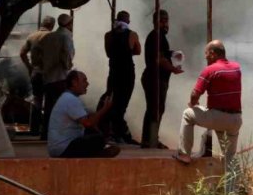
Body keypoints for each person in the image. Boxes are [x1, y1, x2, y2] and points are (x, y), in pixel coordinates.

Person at [174, 40, 242, 174]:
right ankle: (232, 192)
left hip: (217, 117)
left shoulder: (209, 70)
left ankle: (184, 155)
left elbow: (195, 93)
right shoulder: (237, 68)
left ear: (212, 53)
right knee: (230, 158)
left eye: (206, 53)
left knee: (188, 114)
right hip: (235, 120)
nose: (205, 57)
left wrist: (193, 104)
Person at [47, 70, 120, 158]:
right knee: (98, 139)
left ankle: (99, 150)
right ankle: (98, 154)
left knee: (93, 132)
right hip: (63, 149)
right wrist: (104, 109)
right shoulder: (70, 99)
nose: (87, 84)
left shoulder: (68, 97)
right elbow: (88, 123)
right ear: (74, 83)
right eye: (84, 81)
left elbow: (89, 121)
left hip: (58, 148)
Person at [141, 9, 184, 149]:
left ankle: (150, 139)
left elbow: (162, 54)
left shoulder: (159, 37)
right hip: (154, 78)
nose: (166, 24)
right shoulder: (156, 36)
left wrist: (172, 54)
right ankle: (150, 140)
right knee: (155, 109)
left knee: (156, 108)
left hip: (156, 78)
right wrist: (174, 69)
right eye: (162, 20)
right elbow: (159, 59)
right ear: (155, 22)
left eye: (167, 20)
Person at [103, 11, 141, 145]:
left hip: (113, 72)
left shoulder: (108, 35)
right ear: (128, 21)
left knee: (112, 99)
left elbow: (108, 53)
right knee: (122, 103)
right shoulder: (132, 34)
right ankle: (119, 133)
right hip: (127, 73)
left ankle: (116, 131)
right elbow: (138, 51)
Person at [39, 12, 75, 140]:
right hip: (60, 76)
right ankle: (57, 134)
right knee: (60, 107)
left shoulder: (48, 37)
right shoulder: (66, 37)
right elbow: (67, 56)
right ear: (69, 24)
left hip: (48, 76)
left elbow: (40, 55)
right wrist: (68, 68)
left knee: (48, 106)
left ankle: (45, 133)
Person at [19, 15, 55, 136]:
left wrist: (29, 67)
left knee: (37, 100)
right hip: (50, 74)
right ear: (52, 25)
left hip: (36, 72)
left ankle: (34, 129)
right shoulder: (53, 37)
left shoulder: (32, 36)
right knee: (49, 102)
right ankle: (46, 131)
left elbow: (22, 53)